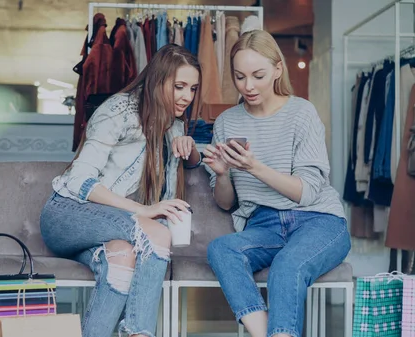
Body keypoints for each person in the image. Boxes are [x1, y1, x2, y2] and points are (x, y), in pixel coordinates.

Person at [40, 44, 202, 337]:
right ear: (157, 79)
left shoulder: (174, 124)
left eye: (192, 88)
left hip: (112, 230)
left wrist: (190, 149)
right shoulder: (119, 111)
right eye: (179, 86)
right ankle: (139, 332)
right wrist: (144, 211)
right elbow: (79, 181)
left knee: (122, 257)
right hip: (68, 214)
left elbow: (189, 160)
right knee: (156, 234)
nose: (187, 97)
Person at [203, 30, 351, 337]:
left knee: (287, 265)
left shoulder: (302, 113)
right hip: (265, 225)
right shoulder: (227, 122)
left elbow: (307, 192)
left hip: (319, 222)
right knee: (221, 249)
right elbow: (226, 203)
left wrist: (255, 167)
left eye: (258, 75)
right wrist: (222, 173)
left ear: (277, 69)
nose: (248, 86)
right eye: (240, 77)